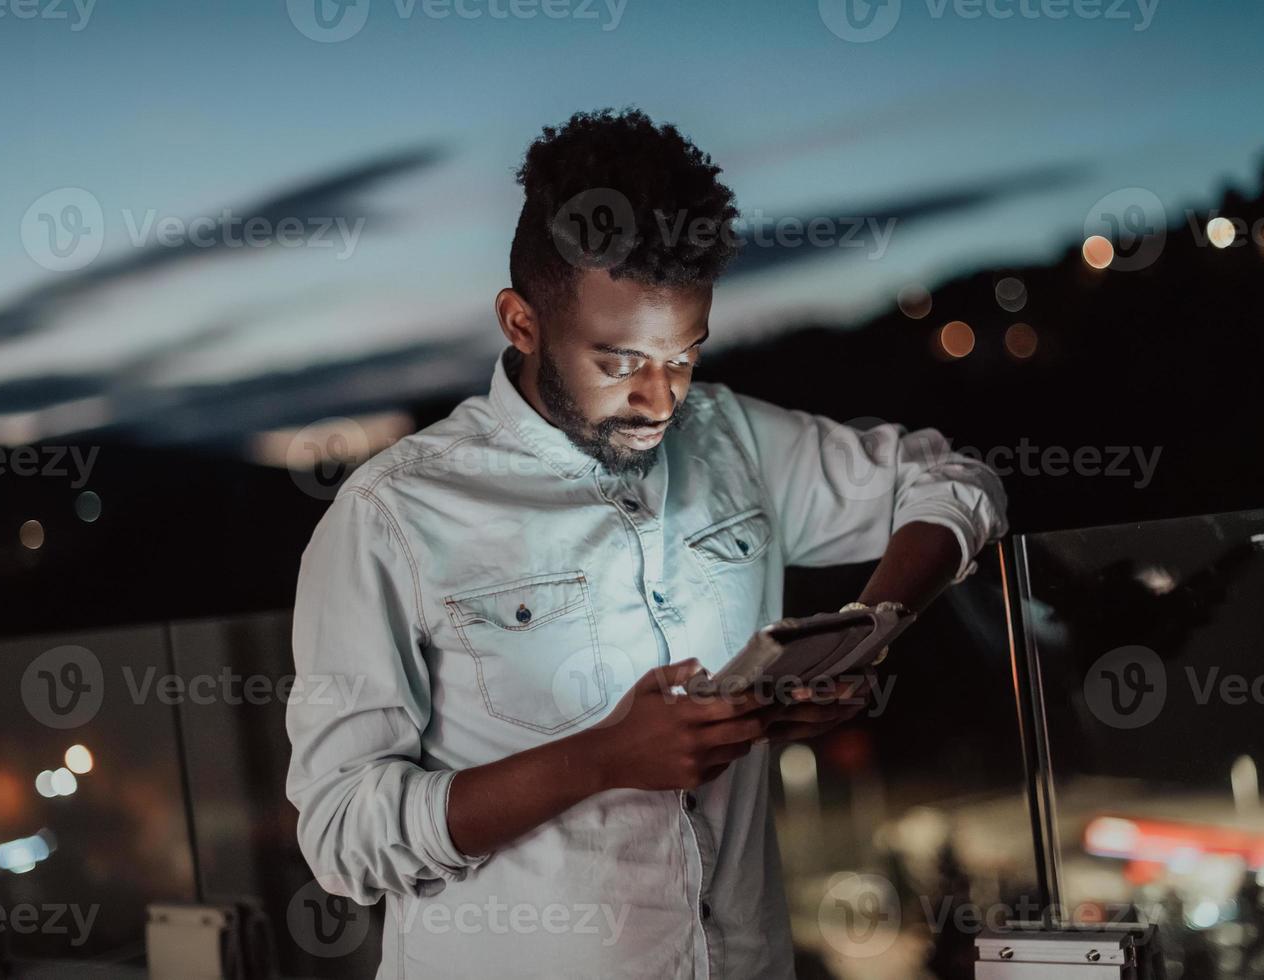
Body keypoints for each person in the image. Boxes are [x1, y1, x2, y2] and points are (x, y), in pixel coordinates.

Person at [286, 108, 1007, 979]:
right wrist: (599, 760)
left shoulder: (729, 439)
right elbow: (342, 837)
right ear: (521, 322)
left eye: (685, 355)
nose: (661, 400)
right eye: (621, 361)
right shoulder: (392, 515)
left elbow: (952, 482)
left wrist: (864, 633)